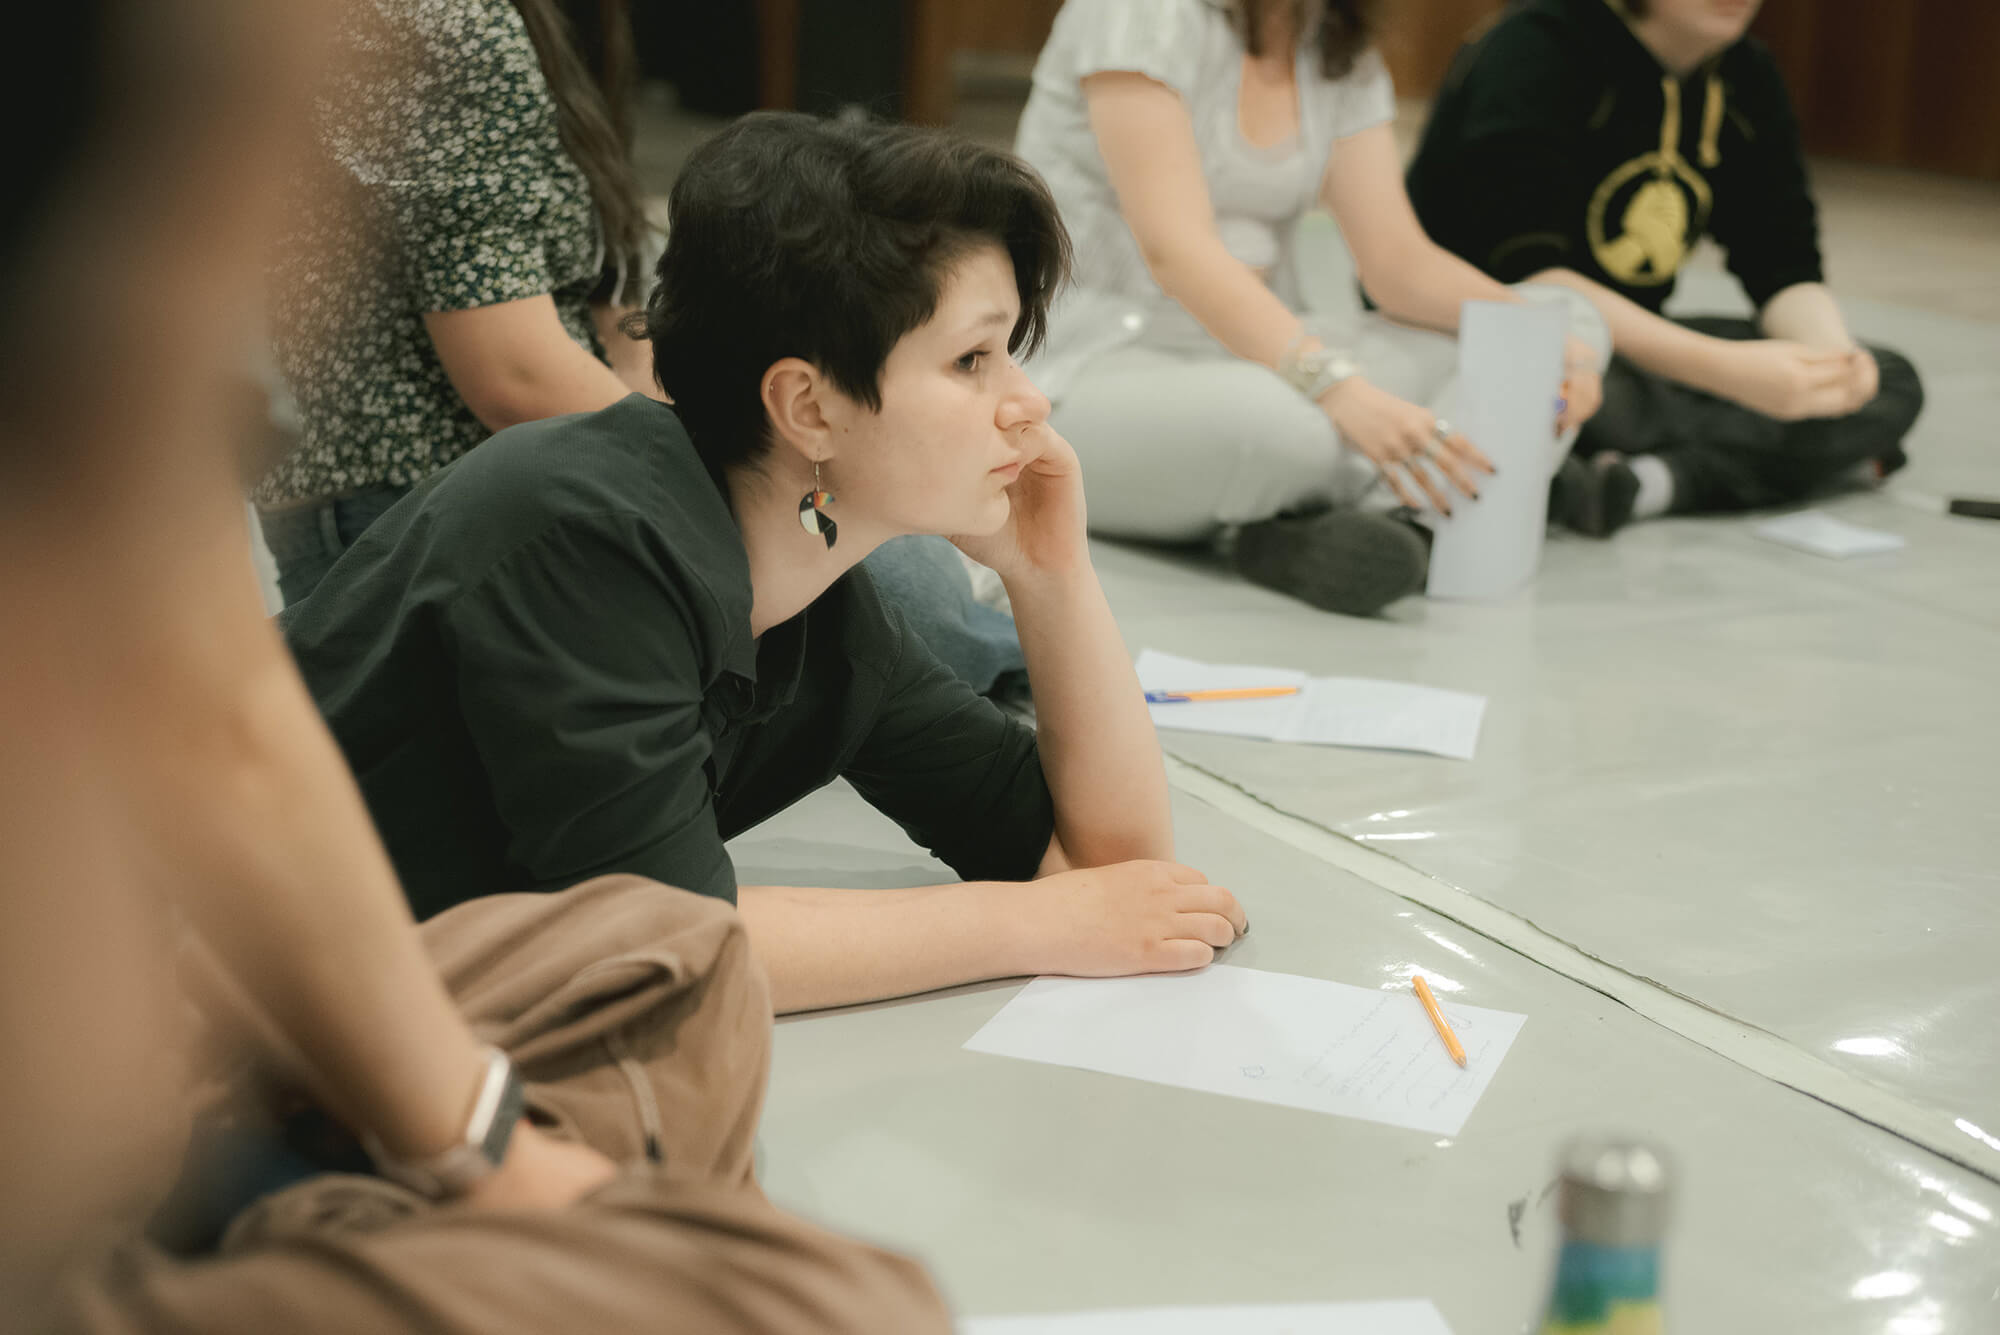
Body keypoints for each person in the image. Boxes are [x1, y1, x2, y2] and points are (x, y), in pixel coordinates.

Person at [1, 2, 948, 1330]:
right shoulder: (570, 516)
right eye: (974, 357)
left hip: (166, 1096)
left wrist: (465, 1135)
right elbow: (224, 739)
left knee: (680, 975)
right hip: (102, 1165)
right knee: (797, 1276)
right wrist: (477, 1144)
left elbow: (226, 744)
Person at [281, 111, 1250, 1016]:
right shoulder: (584, 536)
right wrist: (1030, 924)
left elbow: (1113, 871)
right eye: (972, 360)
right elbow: (660, 945)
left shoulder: (823, 608)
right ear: (808, 408)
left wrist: (1052, 575)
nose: (1027, 402)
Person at [254, 0, 1025, 692]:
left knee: (879, 535)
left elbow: (613, 315)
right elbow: (513, 376)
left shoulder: (557, 23)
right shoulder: (446, 22)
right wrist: (754, 473)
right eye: (974, 359)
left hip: (521, 472)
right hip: (413, 519)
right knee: (892, 586)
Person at [1012, 0, 1609, 618]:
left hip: (1267, 352)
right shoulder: (1137, 12)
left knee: (1567, 318)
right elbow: (1177, 253)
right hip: (1100, 366)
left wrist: (1549, 346)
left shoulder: (1335, 40)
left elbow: (1397, 263)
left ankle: (1376, 526)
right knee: (1289, 430)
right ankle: (1416, 498)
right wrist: (1338, 389)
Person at [1405, 0, 1924, 536]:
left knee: (1890, 380)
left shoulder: (1745, 73)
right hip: (1506, 349)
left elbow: (1783, 262)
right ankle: (1721, 465)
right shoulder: (1538, 46)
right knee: (1589, 399)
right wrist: (1731, 374)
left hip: (1638, 352)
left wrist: (1832, 363)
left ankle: (1642, 483)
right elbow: (1532, 273)